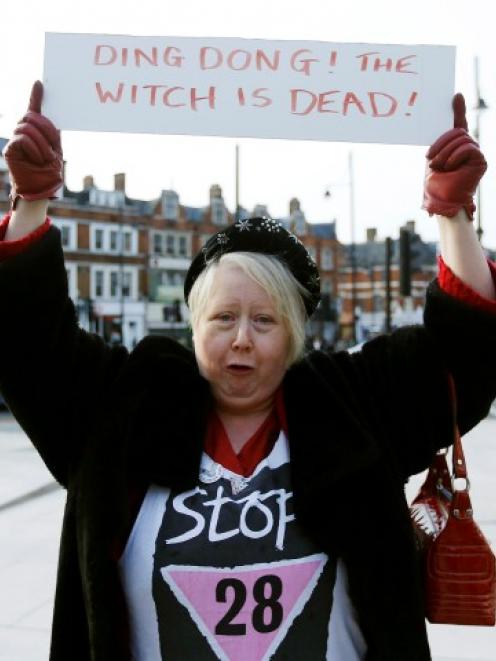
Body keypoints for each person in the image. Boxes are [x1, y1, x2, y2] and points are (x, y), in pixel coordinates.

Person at [1, 81, 495, 661]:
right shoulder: (126, 410)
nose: (241, 339)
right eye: (223, 318)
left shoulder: (355, 405)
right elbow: (30, 348)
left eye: (264, 320)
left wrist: (453, 216)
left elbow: (464, 358)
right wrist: (31, 200)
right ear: (193, 328)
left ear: (292, 335)